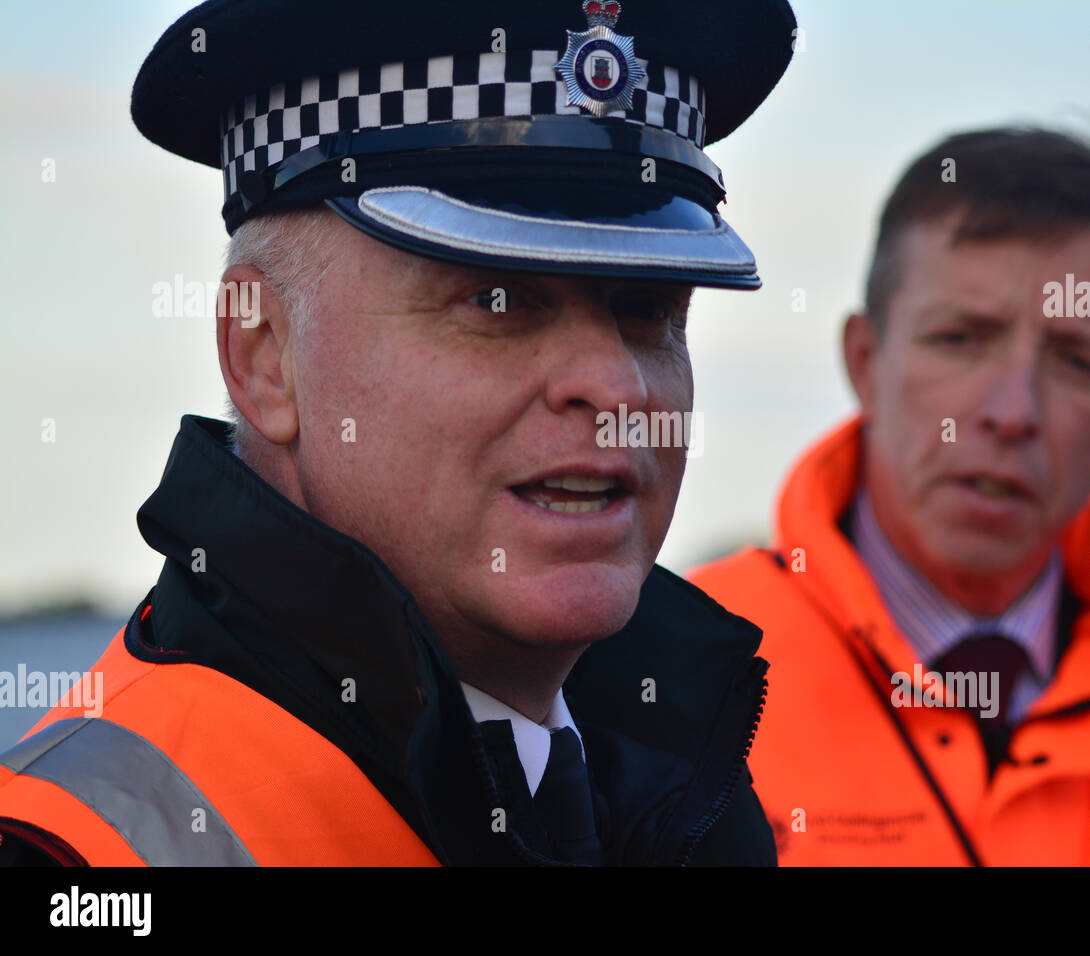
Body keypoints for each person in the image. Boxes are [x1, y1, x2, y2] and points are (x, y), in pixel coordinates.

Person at [0, 0, 796, 866]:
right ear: (264, 358)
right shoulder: (72, 852)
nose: (614, 387)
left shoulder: (682, 791)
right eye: (499, 301)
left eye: (647, 309)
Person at [691, 127, 1090, 866]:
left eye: (1076, 361)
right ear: (863, 361)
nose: (1012, 411)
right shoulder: (664, 680)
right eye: (962, 339)